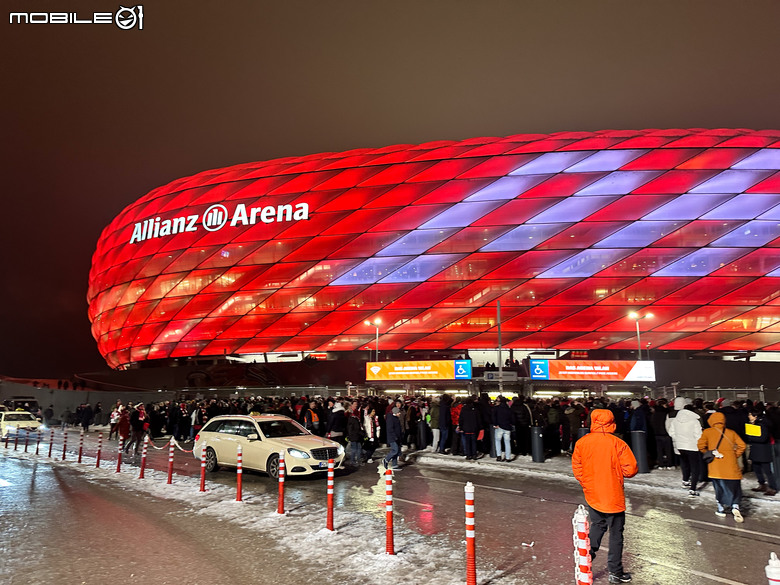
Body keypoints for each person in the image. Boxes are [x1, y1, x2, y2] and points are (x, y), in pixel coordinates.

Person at [572, 408, 638, 584]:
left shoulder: (582, 443)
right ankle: (615, 572)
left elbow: (577, 468)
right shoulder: (617, 443)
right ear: (611, 422)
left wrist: (587, 482)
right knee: (616, 533)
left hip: (593, 493)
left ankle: (586, 558)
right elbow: (630, 469)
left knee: (598, 525)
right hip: (613, 494)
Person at [697, 412, 746, 521]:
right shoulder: (731, 432)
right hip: (731, 466)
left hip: (715, 466)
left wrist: (709, 452)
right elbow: (742, 445)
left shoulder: (707, 432)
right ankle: (735, 505)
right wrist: (734, 455)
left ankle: (720, 509)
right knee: (734, 487)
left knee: (719, 487)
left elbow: (700, 445)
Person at [668, 398, 703, 496]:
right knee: (695, 467)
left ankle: (685, 480)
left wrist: (678, 438)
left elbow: (671, 433)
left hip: (680, 446)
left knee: (684, 464)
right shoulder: (694, 421)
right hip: (692, 446)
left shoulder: (675, 420)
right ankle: (693, 488)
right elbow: (699, 435)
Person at [746, 408, 777, 496]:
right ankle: (762, 484)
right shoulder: (752, 424)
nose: (748, 416)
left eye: (750, 415)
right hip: (756, 450)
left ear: (755, 416)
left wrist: (751, 437)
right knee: (757, 469)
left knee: (767, 471)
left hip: (763, 451)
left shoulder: (762, 425)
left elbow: (763, 438)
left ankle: (772, 487)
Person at [492, 396, 513, 462]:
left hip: (499, 427)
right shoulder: (509, 409)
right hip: (507, 427)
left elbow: (493, 417)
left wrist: (495, 424)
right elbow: (513, 419)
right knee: (507, 442)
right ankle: (508, 457)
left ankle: (499, 456)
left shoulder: (496, 408)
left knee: (498, 441)